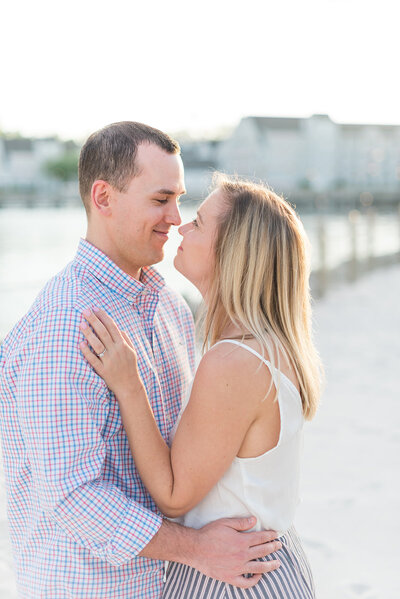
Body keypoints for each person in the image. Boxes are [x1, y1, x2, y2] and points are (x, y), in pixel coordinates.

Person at [0, 123, 281, 599]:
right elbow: (74, 496)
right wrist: (196, 548)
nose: (175, 216)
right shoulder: (63, 325)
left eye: (179, 198)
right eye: (160, 199)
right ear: (104, 198)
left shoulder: (169, 305)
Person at [79, 174, 323, 598]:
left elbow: (175, 496)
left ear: (234, 252)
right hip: (262, 563)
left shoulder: (234, 361)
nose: (180, 227)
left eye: (198, 221)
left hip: (232, 576)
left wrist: (128, 383)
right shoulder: (267, 346)